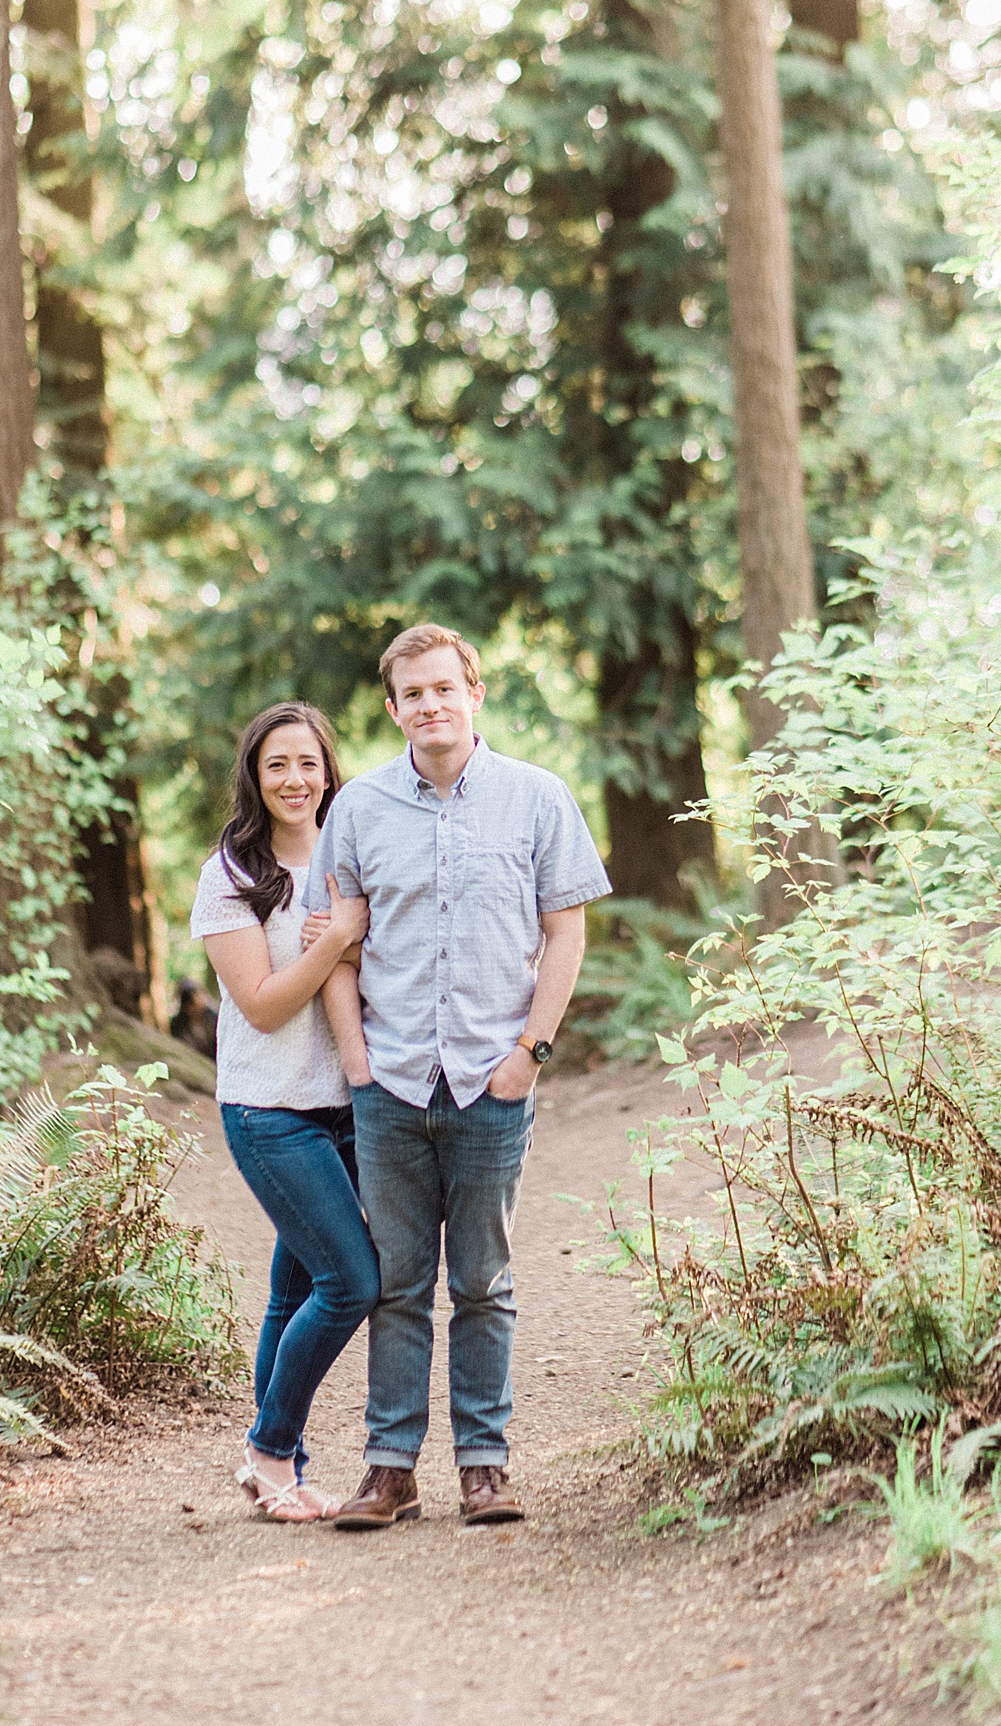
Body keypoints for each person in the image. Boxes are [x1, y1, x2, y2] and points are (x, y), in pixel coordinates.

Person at [312, 624, 611, 1528]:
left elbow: (566, 930)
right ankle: (390, 1469)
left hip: (492, 1079)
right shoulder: (356, 809)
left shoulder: (537, 798)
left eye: (445, 688)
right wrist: (357, 1061)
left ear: (473, 692)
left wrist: (532, 1052)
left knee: (483, 1279)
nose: (430, 705)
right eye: (413, 694)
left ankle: (485, 1465)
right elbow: (338, 943)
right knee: (396, 1280)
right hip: (392, 1081)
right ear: (395, 707)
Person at [190, 702, 379, 1523]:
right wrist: (334, 939)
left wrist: (351, 936)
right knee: (352, 1281)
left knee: (293, 1289)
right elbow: (264, 1006)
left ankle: (280, 1468)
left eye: (308, 762)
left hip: (351, 1106)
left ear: (328, 768)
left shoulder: (356, 855)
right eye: (277, 765)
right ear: (254, 778)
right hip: (270, 1111)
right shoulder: (230, 872)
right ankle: (270, 1446)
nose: (295, 779)